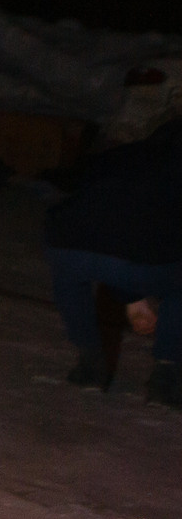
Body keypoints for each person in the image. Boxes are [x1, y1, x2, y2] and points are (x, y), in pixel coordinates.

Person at [45, 115, 180, 403]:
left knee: (72, 267)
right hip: (132, 254)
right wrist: (134, 292)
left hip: (67, 240)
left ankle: (90, 365)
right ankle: (167, 374)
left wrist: (133, 299)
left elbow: (100, 207)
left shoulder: (124, 154)